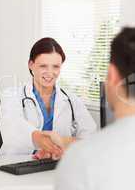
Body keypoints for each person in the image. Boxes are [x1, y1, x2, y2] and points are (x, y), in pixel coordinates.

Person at [55, 27, 135, 189]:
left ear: (112, 75)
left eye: (55, 66)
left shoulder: (81, 159)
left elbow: (90, 134)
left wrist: (66, 143)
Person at [0, 37, 96, 158]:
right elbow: (11, 127)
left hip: (55, 167)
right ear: (31, 65)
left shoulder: (72, 100)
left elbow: (91, 138)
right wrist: (41, 139)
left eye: (56, 66)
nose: (50, 72)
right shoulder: (12, 96)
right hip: (13, 165)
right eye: (43, 66)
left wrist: (62, 142)